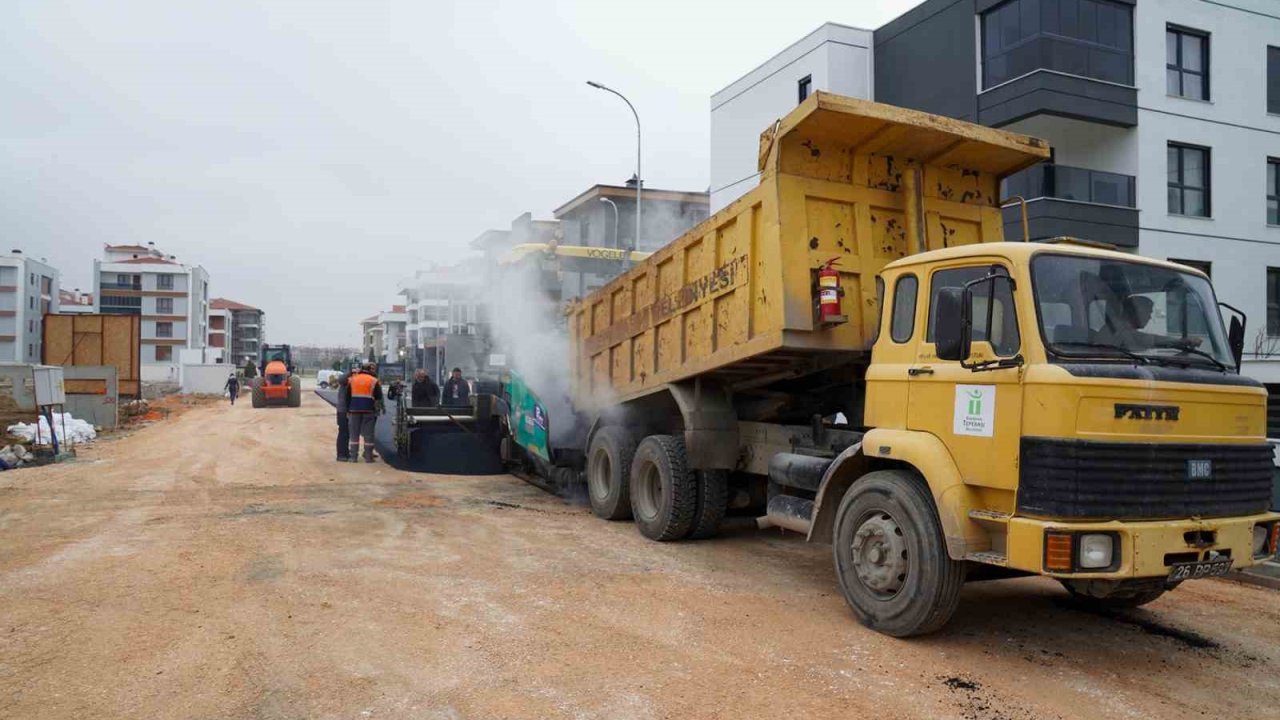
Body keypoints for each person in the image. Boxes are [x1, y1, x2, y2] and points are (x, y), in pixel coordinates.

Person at [346, 363, 384, 463]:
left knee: (354, 434)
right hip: (368, 410)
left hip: (354, 410)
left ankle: (353, 457)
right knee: (368, 435)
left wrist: (348, 410)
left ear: (361, 369)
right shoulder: (373, 380)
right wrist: (377, 408)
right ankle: (368, 457)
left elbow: (347, 396)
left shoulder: (352, 379)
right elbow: (379, 397)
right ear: (370, 370)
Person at [335, 372, 350, 462]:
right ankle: (341, 454)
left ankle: (345, 452)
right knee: (343, 432)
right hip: (343, 411)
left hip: (348, 410)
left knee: (347, 433)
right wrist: (350, 373)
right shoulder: (345, 382)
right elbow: (340, 379)